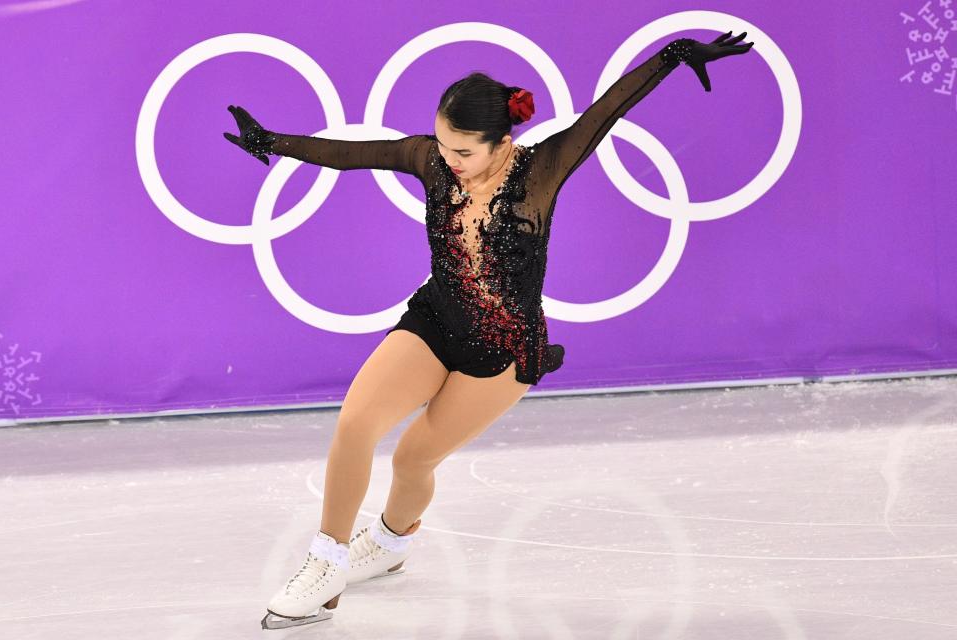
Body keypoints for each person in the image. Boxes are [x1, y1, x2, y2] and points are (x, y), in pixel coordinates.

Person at [225, 32, 754, 630]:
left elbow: (608, 109)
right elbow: (360, 153)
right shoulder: (431, 160)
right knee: (355, 424)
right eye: (442, 143)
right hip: (436, 321)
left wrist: (677, 54)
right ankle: (326, 565)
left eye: (462, 151)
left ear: (502, 141)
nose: (446, 157)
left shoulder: (543, 171)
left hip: (501, 353)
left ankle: (393, 543)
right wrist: (274, 143)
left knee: (413, 459)